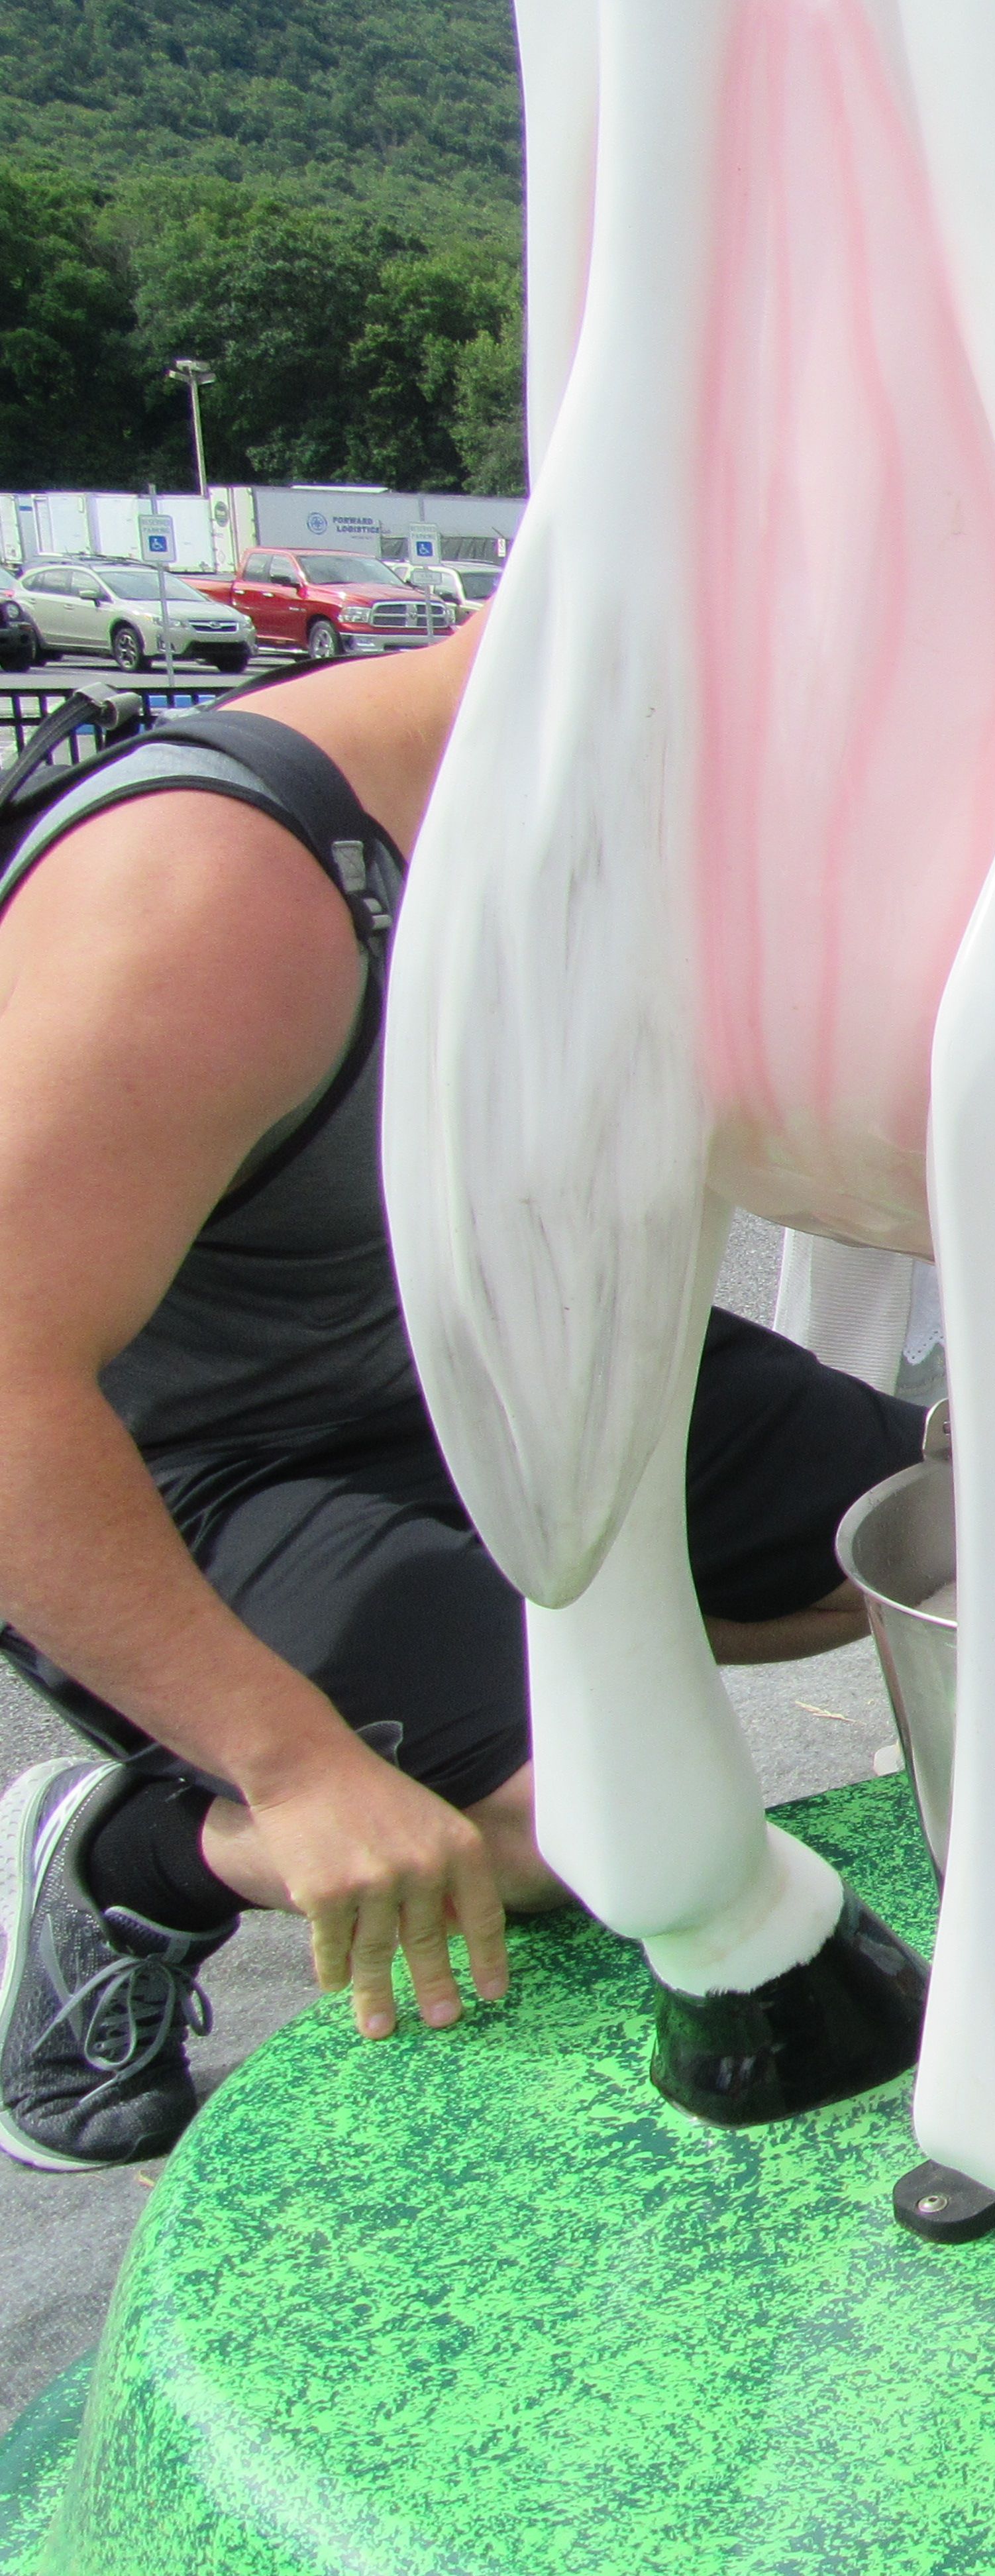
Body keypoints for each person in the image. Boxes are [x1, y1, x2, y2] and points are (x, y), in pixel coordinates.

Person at [0, 627, 927, 2172]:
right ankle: (131, 1860)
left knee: (938, 1534)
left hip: (482, 1358)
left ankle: (463, 1672)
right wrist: (297, 1767)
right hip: (195, 1467)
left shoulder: (611, 806)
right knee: (575, 1829)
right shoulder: (217, 889)